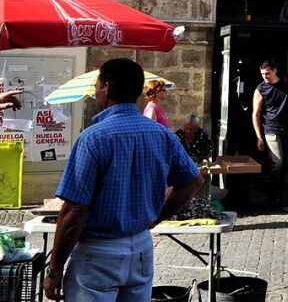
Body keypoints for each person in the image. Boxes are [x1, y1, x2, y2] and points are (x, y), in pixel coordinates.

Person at [44, 58, 203, 302]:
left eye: (96, 87)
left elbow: (74, 209)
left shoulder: (93, 138)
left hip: (98, 254)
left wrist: (54, 269)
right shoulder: (161, 134)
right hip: (140, 248)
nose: (94, 93)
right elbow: (193, 181)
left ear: (106, 87)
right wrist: (155, 217)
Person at [251, 60, 288, 211]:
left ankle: (284, 200)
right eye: (262, 74)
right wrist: (259, 136)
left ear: (275, 71)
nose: (265, 76)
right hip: (271, 129)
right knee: (278, 163)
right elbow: (255, 114)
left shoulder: (287, 82)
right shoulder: (260, 89)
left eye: (267, 73)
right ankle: (274, 195)